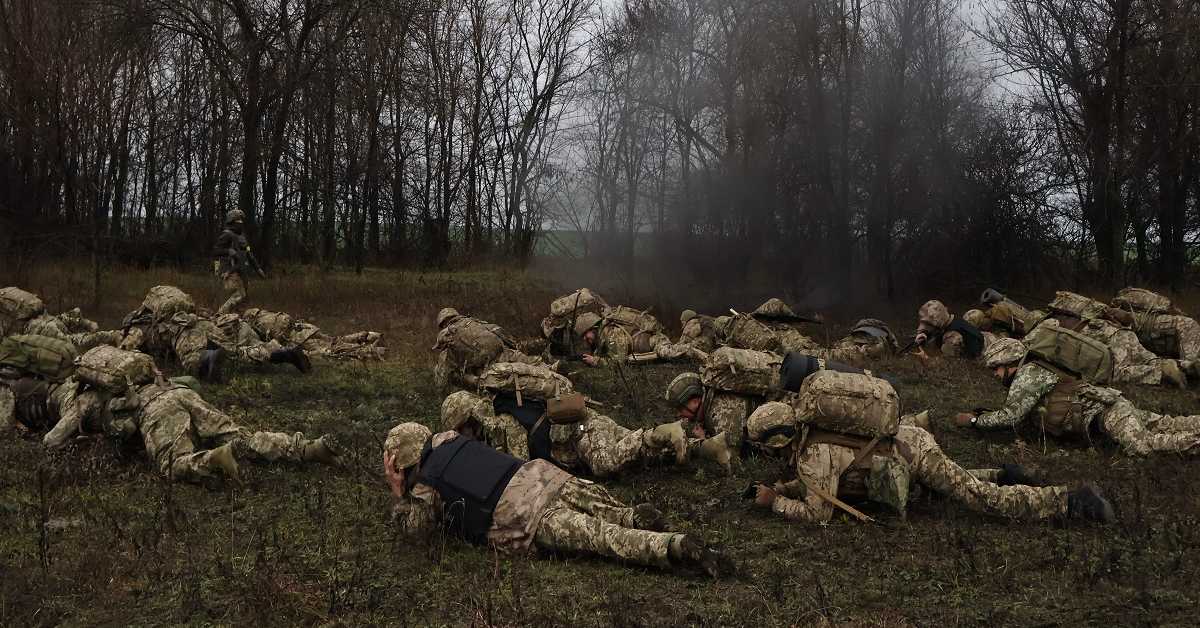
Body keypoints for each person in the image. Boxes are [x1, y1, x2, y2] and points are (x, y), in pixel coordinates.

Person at [381, 422, 733, 577]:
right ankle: (632, 515)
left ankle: (674, 546)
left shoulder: (425, 486)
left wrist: (399, 494)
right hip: (545, 476)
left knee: (605, 538)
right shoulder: (447, 438)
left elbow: (418, 535)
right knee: (611, 515)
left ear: (403, 463)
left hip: (527, 515)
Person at [743, 400, 1114, 524]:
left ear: (777, 441)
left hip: (913, 454)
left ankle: (1071, 502)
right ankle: (1005, 473)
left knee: (978, 498)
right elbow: (827, 480)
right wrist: (787, 487)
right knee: (956, 484)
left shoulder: (810, 455)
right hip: (908, 446)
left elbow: (818, 514)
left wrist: (775, 502)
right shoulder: (812, 434)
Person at [954, 338, 1200, 457]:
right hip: (1110, 405)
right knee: (1166, 423)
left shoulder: (1028, 374)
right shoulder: (1035, 369)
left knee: (1144, 447)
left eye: (996, 368)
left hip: (1107, 413)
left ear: (1010, 363)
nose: (995, 374)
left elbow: (1010, 416)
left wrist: (974, 421)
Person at [439, 389, 732, 477]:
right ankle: (709, 447)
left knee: (605, 463)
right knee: (644, 457)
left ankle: (662, 432)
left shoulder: (504, 423)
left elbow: (521, 467)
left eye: (461, 430)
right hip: (587, 426)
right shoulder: (499, 419)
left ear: (467, 421)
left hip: (582, 432)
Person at [120, 286, 309, 381]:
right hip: (206, 324)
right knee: (236, 351)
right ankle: (281, 352)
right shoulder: (169, 303)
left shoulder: (140, 327)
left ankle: (209, 357)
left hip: (187, 334)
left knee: (193, 363)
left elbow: (126, 349)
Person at [432, 308, 546, 390]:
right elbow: (508, 339)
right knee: (542, 371)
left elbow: (441, 382)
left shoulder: (448, 341)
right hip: (508, 356)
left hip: (487, 375)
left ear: (442, 325)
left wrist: (471, 381)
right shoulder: (477, 323)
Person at [241, 307, 385, 361]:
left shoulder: (258, 325)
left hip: (298, 338)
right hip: (306, 328)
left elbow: (272, 341)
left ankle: (370, 351)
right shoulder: (266, 314)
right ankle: (367, 335)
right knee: (333, 340)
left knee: (330, 351)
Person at [0, 286, 121, 350]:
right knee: (60, 324)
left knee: (72, 343)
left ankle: (111, 335)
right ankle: (88, 324)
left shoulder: (35, 325)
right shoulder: (8, 310)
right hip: (44, 320)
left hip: (39, 328)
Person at [574, 311, 699, 367]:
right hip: (649, 346)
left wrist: (596, 361)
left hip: (655, 341)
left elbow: (619, 362)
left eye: (585, 334)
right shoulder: (603, 336)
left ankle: (696, 350)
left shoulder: (612, 334)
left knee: (670, 353)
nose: (585, 338)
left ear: (594, 328)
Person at [213, 209, 263, 315]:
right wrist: (228, 251)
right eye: (238, 221)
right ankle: (220, 315)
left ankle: (234, 319)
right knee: (238, 295)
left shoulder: (243, 237)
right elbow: (216, 251)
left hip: (242, 271)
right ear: (232, 222)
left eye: (241, 221)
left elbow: (249, 253)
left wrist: (258, 268)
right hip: (229, 271)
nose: (241, 223)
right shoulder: (226, 235)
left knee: (243, 299)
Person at [912, 299, 985, 359]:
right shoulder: (951, 320)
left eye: (929, 324)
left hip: (984, 353)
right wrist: (924, 334)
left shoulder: (952, 337)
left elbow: (946, 363)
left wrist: (926, 358)